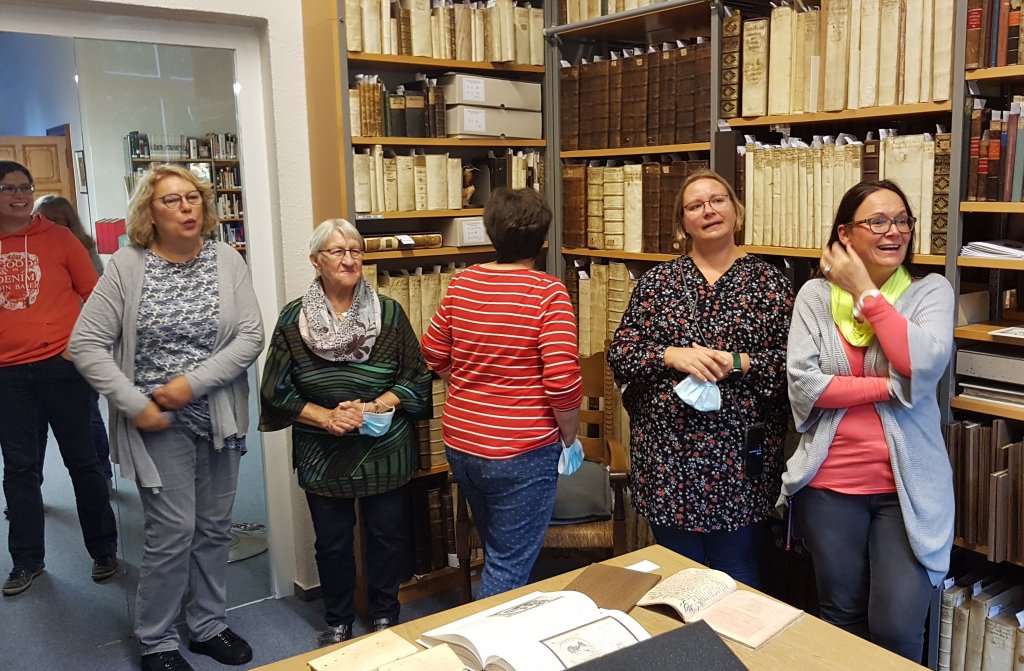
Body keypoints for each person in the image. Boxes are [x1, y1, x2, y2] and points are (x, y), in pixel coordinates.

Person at [69, 164, 264, 671]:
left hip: (219, 416)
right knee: (172, 532)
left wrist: (191, 384)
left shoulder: (227, 259)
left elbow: (250, 336)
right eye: (171, 200)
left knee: (214, 528)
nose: (186, 207)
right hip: (157, 422)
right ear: (149, 214)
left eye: (193, 197)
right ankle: (156, 640)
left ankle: (207, 625)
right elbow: (85, 345)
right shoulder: (126, 266)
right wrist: (136, 404)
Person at [780, 180, 954, 662]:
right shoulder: (815, 296)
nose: (893, 231)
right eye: (878, 221)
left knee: (897, 629)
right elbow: (805, 386)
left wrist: (864, 291)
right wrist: (890, 387)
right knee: (842, 619)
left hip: (908, 490)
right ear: (845, 233)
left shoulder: (929, 291)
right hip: (830, 486)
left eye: (901, 221)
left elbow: (919, 364)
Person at [607, 168, 792, 589]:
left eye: (718, 200)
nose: (709, 210)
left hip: (739, 457)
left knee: (736, 569)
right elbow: (622, 354)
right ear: (683, 223)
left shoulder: (770, 284)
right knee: (677, 572)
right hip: (667, 454)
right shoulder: (657, 283)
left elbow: (793, 366)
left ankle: (731, 636)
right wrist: (672, 355)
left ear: (736, 211)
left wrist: (739, 362)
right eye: (695, 205)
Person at [259, 219, 431, 647]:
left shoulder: (389, 313)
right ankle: (337, 619)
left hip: (384, 450)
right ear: (316, 261)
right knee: (332, 543)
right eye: (337, 251)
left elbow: (416, 378)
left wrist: (371, 407)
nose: (349, 259)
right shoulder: (293, 319)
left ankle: (386, 614)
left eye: (355, 250)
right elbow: (276, 391)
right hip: (323, 452)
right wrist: (326, 417)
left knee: (387, 537)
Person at [421, 188, 582, 598]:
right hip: (521, 451)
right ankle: (485, 639)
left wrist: (465, 384)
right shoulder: (548, 293)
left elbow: (433, 351)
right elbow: (562, 380)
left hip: (462, 445)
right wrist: (569, 436)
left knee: (496, 551)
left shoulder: (463, 282)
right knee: (508, 565)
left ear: (491, 233)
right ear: (543, 239)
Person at [0, 160, 118, 597]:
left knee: (83, 462)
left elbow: (97, 297)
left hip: (61, 369)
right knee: (20, 469)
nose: (20, 195)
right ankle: (26, 561)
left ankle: (104, 550)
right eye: (9, 188)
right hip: (8, 376)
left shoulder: (59, 238)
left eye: (25, 187)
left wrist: (80, 345)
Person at [32, 194, 113, 484]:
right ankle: (32, 483)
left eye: (60, 220)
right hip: (37, 347)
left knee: (87, 413)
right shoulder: (27, 248)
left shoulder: (83, 247)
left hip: (78, 342)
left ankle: (103, 474)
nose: (54, 226)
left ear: (70, 222)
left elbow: (97, 296)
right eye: (47, 219)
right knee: (34, 423)